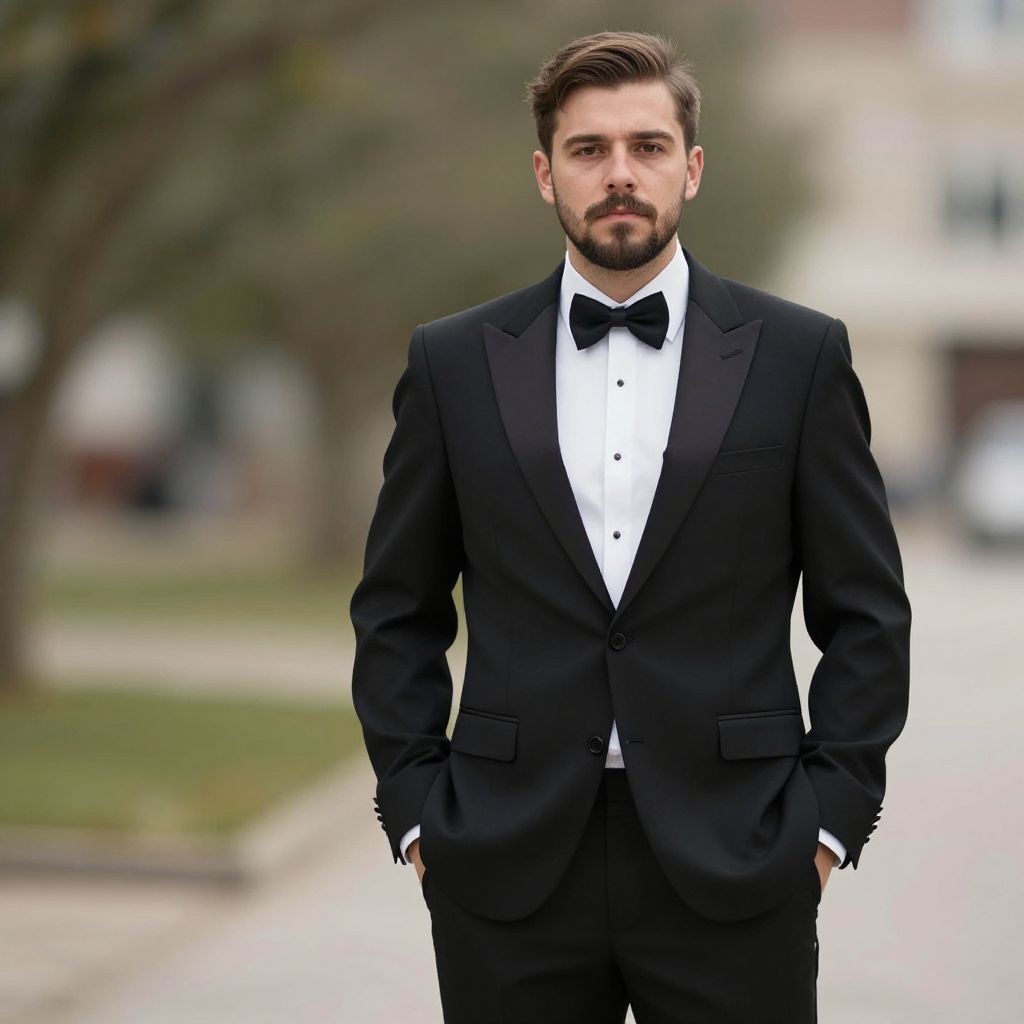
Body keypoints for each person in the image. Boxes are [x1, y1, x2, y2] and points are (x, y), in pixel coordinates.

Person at [349, 29, 911, 1024]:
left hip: (740, 856)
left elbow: (865, 611)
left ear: (690, 169)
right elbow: (397, 605)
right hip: (505, 864)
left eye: (647, 147)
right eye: (588, 149)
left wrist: (826, 824)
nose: (620, 174)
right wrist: (415, 811)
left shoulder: (798, 356)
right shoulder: (452, 362)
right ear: (543, 173)